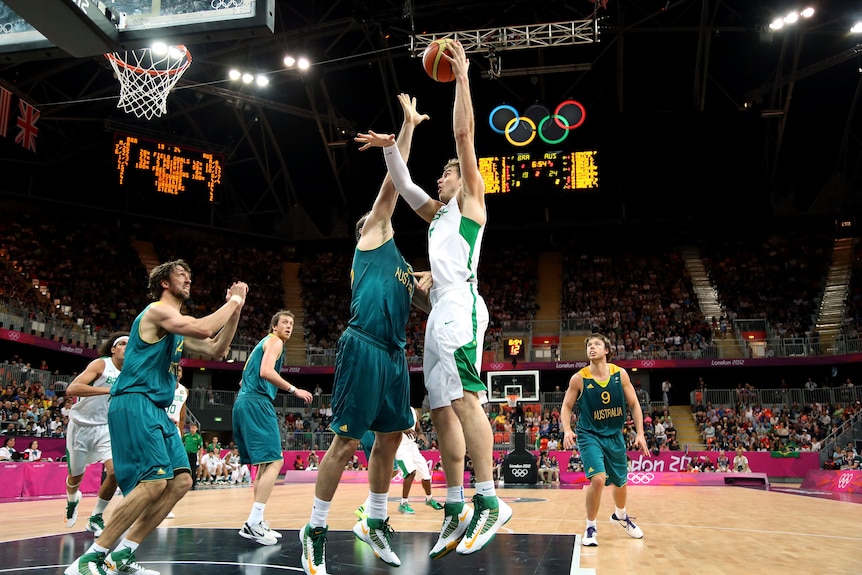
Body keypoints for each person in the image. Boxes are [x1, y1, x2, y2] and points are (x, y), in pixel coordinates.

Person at [363, 40, 511, 558]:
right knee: (441, 409)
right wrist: (393, 140)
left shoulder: (470, 200)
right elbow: (401, 183)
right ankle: (454, 504)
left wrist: (464, 77)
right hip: (442, 308)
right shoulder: (437, 215)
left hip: (462, 305)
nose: (439, 179)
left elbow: (464, 134)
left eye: (443, 174)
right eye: (444, 175)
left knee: (466, 399)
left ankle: (490, 499)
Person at [299, 93, 432, 575]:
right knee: (347, 443)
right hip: (363, 346)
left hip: (396, 357)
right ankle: (313, 528)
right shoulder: (371, 237)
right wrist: (407, 128)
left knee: (392, 439)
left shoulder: (401, 266)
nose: (386, 216)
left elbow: (428, 304)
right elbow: (394, 187)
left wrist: (437, 281)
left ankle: (374, 521)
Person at [65, 259, 247, 575]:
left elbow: (217, 347)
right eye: (181, 275)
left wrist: (238, 308)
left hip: (157, 408)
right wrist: (231, 300)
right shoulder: (156, 312)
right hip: (135, 402)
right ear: (164, 282)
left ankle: (124, 553)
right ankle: (89, 559)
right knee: (153, 483)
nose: (188, 279)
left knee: (181, 481)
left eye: (190, 274)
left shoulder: (174, 326)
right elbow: (205, 327)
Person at [560, 333, 650, 548]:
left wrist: (640, 433)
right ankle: (591, 527)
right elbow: (566, 406)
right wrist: (566, 430)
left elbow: (635, 405)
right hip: (589, 434)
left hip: (614, 435)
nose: (592, 347)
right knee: (598, 479)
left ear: (606, 350)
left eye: (597, 344)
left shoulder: (621, 375)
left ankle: (620, 515)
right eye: (589, 345)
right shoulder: (579, 378)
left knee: (620, 482)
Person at [234, 309, 313, 545]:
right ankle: (253, 522)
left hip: (243, 402)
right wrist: (294, 389)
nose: (289, 326)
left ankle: (256, 520)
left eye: (292, 322)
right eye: (284, 322)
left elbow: (244, 378)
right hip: (256, 403)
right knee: (276, 460)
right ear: (274, 326)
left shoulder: (264, 344)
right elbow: (266, 371)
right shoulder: (275, 342)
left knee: (264, 463)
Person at [63, 332, 128, 538]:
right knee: (75, 477)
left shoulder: (132, 372)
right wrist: (109, 390)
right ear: (113, 349)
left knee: (115, 473)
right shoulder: (101, 364)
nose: (127, 347)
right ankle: (73, 500)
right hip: (80, 426)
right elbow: (72, 389)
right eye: (123, 344)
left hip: (106, 428)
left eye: (131, 344)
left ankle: (96, 517)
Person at [395, 407, 444, 514]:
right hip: (400, 447)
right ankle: (403, 503)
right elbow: (389, 427)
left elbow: (417, 429)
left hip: (412, 446)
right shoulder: (396, 409)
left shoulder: (413, 411)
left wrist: (422, 436)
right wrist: (402, 429)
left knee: (426, 474)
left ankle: (429, 499)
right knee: (410, 472)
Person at [164, 364, 189, 519]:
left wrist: (181, 432)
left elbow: (182, 413)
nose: (177, 373)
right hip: (159, 429)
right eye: (174, 370)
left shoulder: (184, 390)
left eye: (179, 370)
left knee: (173, 469)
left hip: (174, 432)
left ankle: (165, 506)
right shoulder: (161, 385)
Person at [183, 423, 203, 490]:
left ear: (196, 429)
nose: (192, 429)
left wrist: (200, 456)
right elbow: (181, 443)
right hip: (186, 454)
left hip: (193, 454)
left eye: (194, 428)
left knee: (193, 469)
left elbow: (201, 447)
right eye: (191, 428)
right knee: (186, 468)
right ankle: (185, 483)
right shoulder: (186, 436)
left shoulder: (198, 437)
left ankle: (193, 484)